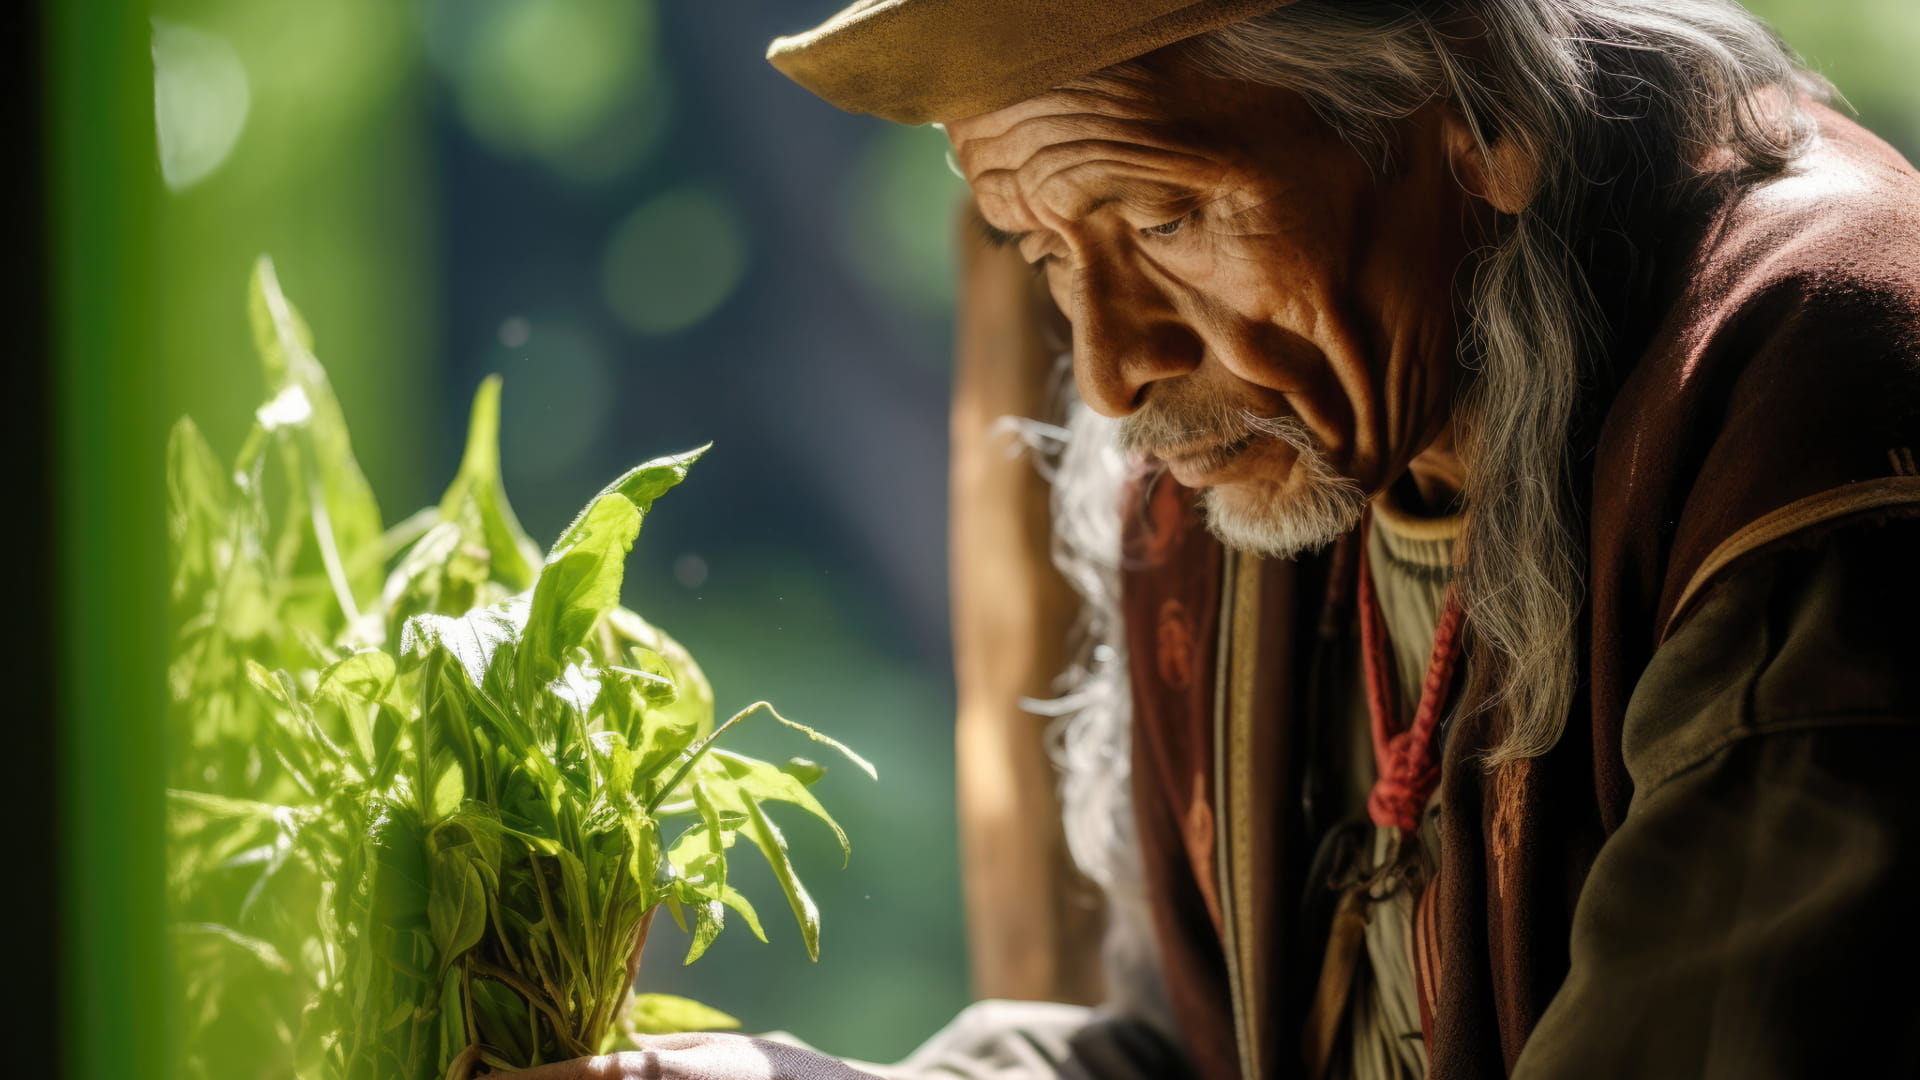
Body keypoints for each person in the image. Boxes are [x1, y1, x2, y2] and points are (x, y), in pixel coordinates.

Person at [521, 0, 1920, 1076]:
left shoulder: (1811, 415)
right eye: (1050, 250)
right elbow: (1203, 1053)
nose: (1113, 366)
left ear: (1481, 111)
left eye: (1166, 214)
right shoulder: (1288, 457)